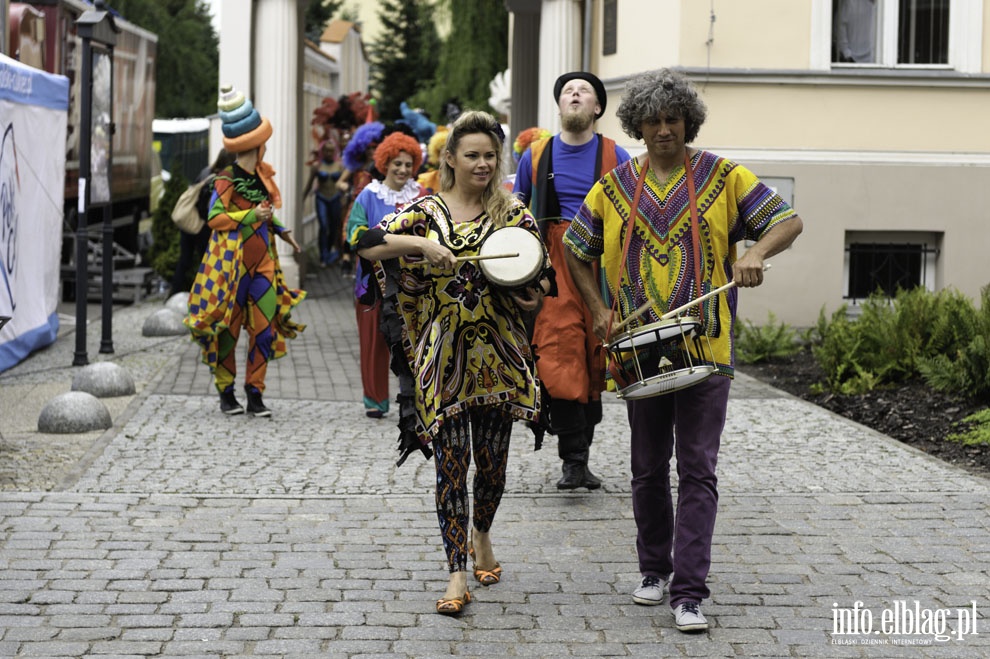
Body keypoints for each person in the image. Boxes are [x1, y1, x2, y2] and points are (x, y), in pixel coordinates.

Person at [563, 69, 803, 632]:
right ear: (638, 126)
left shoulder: (725, 175)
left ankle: (690, 592)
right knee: (646, 469)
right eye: (653, 120)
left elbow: (788, 222)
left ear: (686, 121)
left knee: (697, 470)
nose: (664, 129)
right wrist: (599, 311)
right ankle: (654, 570)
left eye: (673, 119)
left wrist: (755, 254)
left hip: (707, 346)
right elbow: (576, 248)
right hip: (638, 350)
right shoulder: (614, 186)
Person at [356, 110, 550, 615]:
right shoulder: (424, 212)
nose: (483, 163)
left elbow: (541, 274)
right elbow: (365, 243)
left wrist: (532, 295)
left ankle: (481, 533)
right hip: (443, 360)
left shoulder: (513, 214)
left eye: (490, 155)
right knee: (450, 468)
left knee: (492, 469)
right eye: (473, 155)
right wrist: (421, 244)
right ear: (450, 159)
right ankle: (456, 573)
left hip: (501, 360)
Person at [513, 72, 631, 491]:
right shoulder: (535, 155)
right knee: (559, 358)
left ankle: (580, 459)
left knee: (596, 357)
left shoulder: (619, 156)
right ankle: (573, 462)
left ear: (597, 107)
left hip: (601, 263)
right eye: (568, 92)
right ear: (560, 107)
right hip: (554, 266)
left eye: (584, 91)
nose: (575, 95)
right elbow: (517, 213)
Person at [185, 84, 305, 417]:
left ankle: (255, 392)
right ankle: (226, 391)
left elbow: (266, 213)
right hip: (232, 268)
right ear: (257, 143)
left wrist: (282, 231)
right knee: (229, 333)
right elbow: (214, 218)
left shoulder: (262, 178)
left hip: (264, 265)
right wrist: (251, 215)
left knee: (264, 332)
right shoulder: (225, 178)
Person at [346, 131, 426, 418]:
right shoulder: (368, 195)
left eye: (408, 164)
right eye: (397, 164)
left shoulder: (421, 194)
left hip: (414, 281)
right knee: (373, 342)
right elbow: (353, 233)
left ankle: (414, 397)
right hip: (372, 282)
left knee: (415, 341)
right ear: (385, 163)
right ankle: (375, 400)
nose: (403, 170)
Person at [170, 149, 236, 295]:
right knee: (207, 263)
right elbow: (208, 208)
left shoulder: (206, 171)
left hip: (189, 224)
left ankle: (173, 293)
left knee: (185, 261)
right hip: (201, 226)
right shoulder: (218, 179)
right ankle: (205, 296)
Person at [302, 139, 345, 267]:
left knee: (333, 227)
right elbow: (309, 184)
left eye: (331, 150)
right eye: (326, 150)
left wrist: (344, 198)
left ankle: (330, 251)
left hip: (335, 198)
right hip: (321, 198)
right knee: (324, 225)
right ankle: (323, 257)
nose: (329, 153)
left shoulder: (340, 166)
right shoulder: (317, 166)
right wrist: (302, 199)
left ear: (335, 151)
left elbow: (344, 184)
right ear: (322, 151)